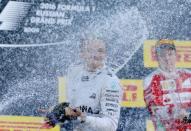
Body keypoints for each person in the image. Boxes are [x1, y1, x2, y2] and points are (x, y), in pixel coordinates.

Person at [63, 37, 122, 131]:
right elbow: (70, 108)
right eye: (90, 50)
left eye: (100, 51)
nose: (95, 55)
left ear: (105, 54)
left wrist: (84, 118)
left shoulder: (111, 81)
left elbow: (111, 125)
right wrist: (57, 113)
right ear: (81, 53)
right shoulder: (74, 71)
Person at [143, 39, 191, 130]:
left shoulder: (189, 77)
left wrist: (185, 118)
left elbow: (185, 118)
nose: (167, 58)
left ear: (175, 55)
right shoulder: (150, 81)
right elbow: (158, 116)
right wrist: (179, 116)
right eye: (162, 55)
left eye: (170, 54)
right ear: (156, 57)